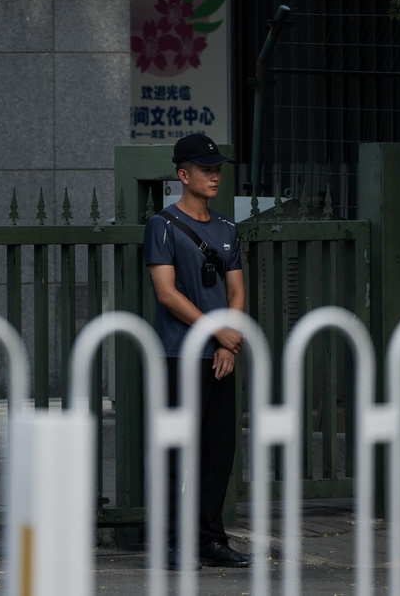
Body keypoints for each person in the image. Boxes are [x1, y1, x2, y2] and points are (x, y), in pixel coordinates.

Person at [143, 133, 250, 570]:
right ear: (183, 174)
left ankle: (210, 539)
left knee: (218, 451)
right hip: (178, 356)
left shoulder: (227, 229)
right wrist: (217, 333)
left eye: (217, 169)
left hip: (220, 357)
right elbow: (167, 293)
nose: (214, 175)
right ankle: (170, 542)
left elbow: (237, 290)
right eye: (205, 169)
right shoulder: (162, 225)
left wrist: (231, 341)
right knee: (176, 451)